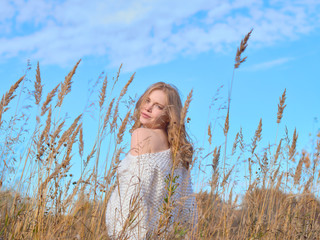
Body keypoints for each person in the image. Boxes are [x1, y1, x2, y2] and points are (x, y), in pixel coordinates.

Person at [106, 82, 198, 239]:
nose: (147, 108)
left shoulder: (141, 135)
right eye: (147, 101)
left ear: (170, 115)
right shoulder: (177, 153)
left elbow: (133, 195)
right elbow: (189, 212)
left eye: (158, 106)